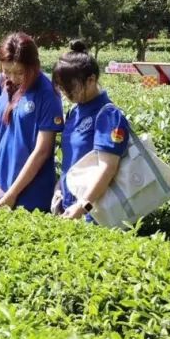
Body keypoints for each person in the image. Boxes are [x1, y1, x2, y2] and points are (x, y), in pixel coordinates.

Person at [0, 32, 64, 211]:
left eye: (19, 72)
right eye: (6, 71)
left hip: (33, 196)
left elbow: (42, 151)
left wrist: (12, 195)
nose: (12, 78)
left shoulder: (47, 92)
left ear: (33, 66)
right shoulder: (0, 84)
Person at [51, 40, 131, 220]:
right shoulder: (75, 111)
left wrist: (83, 206)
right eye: (62, 88)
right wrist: (59, 187)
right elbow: (73, 159)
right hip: (70, 208)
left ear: (91, 80)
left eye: (71, 88)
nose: (66, 94)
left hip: (95, 214)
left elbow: (108, 168)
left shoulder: (108, 115)